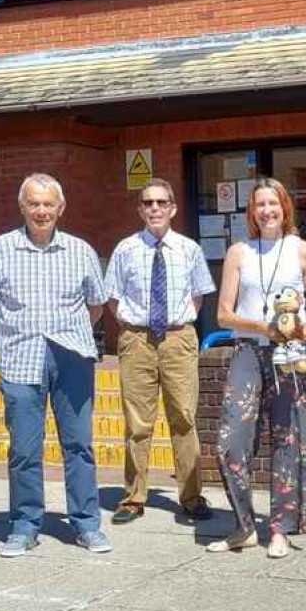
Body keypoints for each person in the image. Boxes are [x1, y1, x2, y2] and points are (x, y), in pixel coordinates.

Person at [0, 173, 112, 558]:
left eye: (48, 204)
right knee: (23, 450)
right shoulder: (0, 249)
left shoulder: (80, 250)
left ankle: (86, 525)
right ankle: (24, 525)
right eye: (34, 203)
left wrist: (71, 333)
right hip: (21, 359)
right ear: (22, 207)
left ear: (60, 208)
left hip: (72, 358)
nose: (41, 211)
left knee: (79, 446)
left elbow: (96, 304)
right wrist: (14, 331)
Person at [209, 177, 306, 558]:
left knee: (290, 440)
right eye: (260, 205)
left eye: (273, 204)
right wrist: (265, 328)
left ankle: (280, 528)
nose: (267, 211)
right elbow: (224, 314)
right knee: (230, 441)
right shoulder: (238, 252)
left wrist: (304, 329)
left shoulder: (304, 251)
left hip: (292, 356)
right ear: (251, 212)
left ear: (284, 207)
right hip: (249, 350)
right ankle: (244, 524)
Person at [105, 178, 217, 524]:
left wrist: (176, 326)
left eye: (161, 202)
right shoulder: (125, 249)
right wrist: (131, 326)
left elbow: (198, 296)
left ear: (173, 208)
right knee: (138, 422)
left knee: (183, 418)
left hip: (177, 338)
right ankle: (133, 497)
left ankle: (191, 496)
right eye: (148, 202)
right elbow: (113, 296)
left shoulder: (189, 249)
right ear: (140, 209)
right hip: (137, 339)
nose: (154, 208)